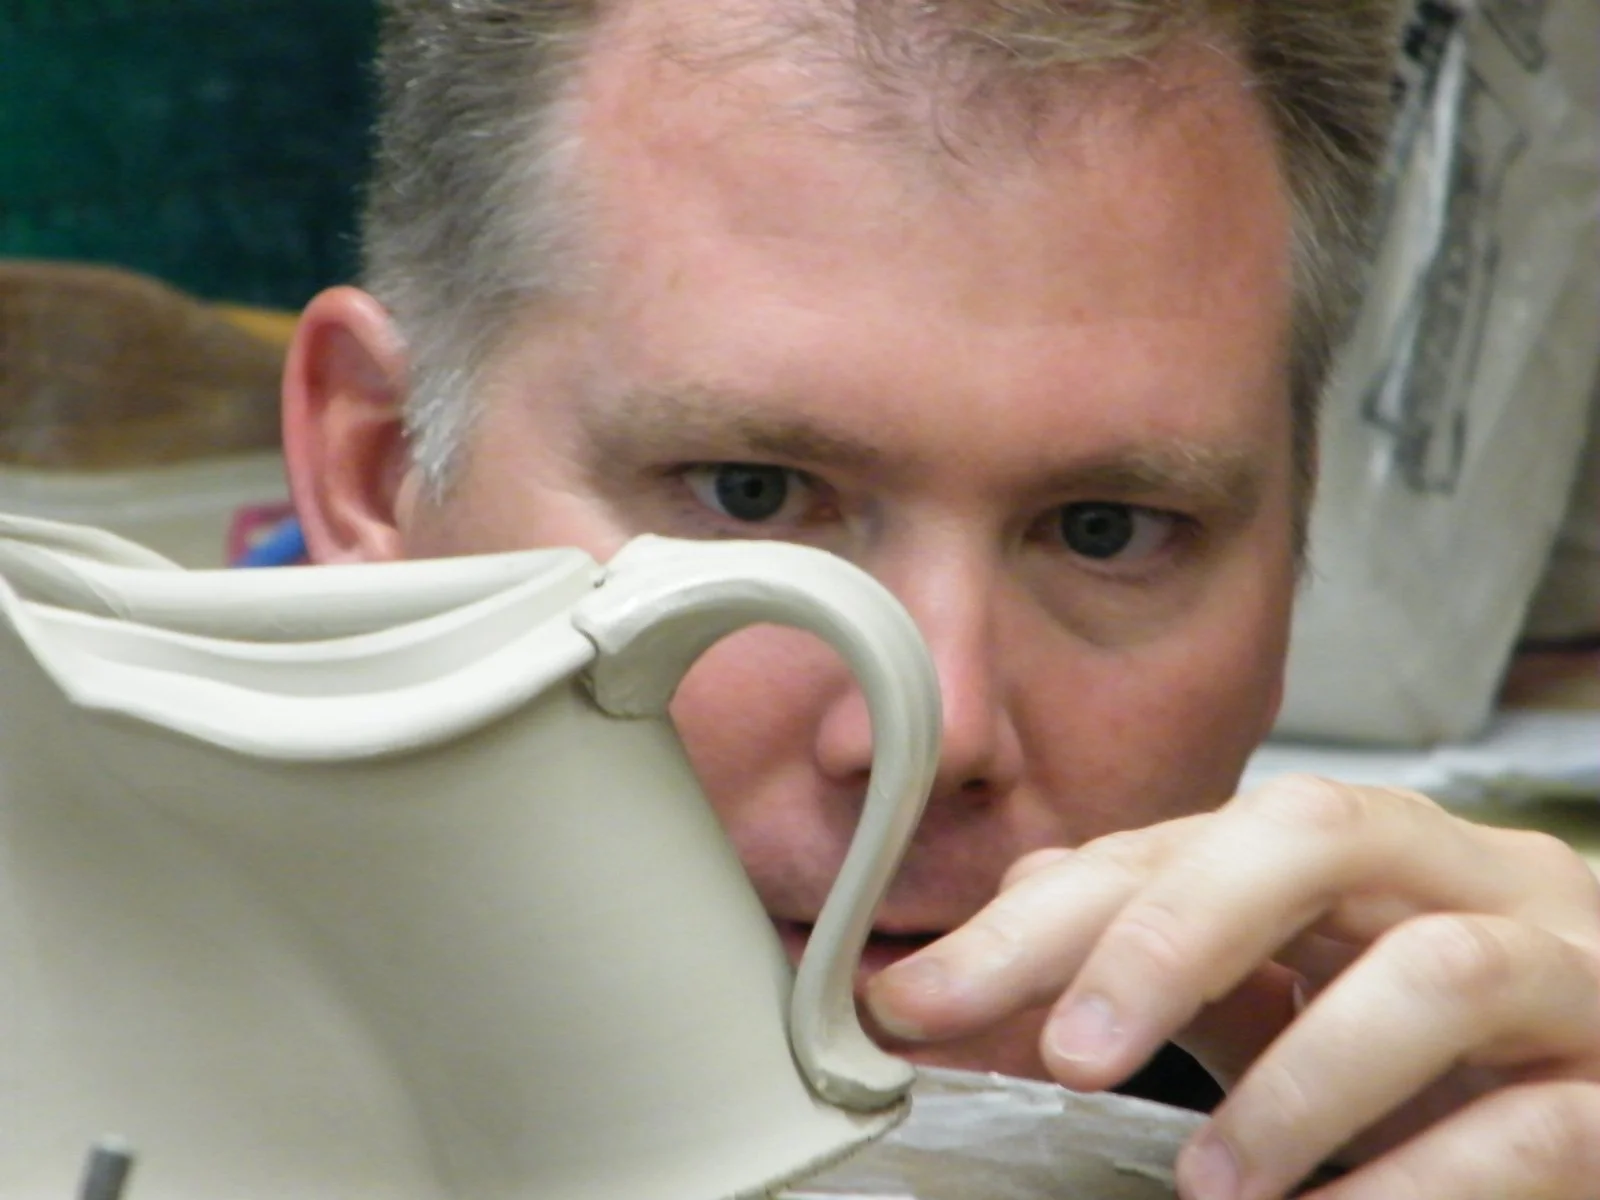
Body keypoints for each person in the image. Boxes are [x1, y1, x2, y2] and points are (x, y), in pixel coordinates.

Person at [280, 1, 1600, 1196]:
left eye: (1106, 530)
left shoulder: (1419, 1112)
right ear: (376, 475)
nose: (941, 727)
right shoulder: (152, 1085)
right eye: (752, 494)